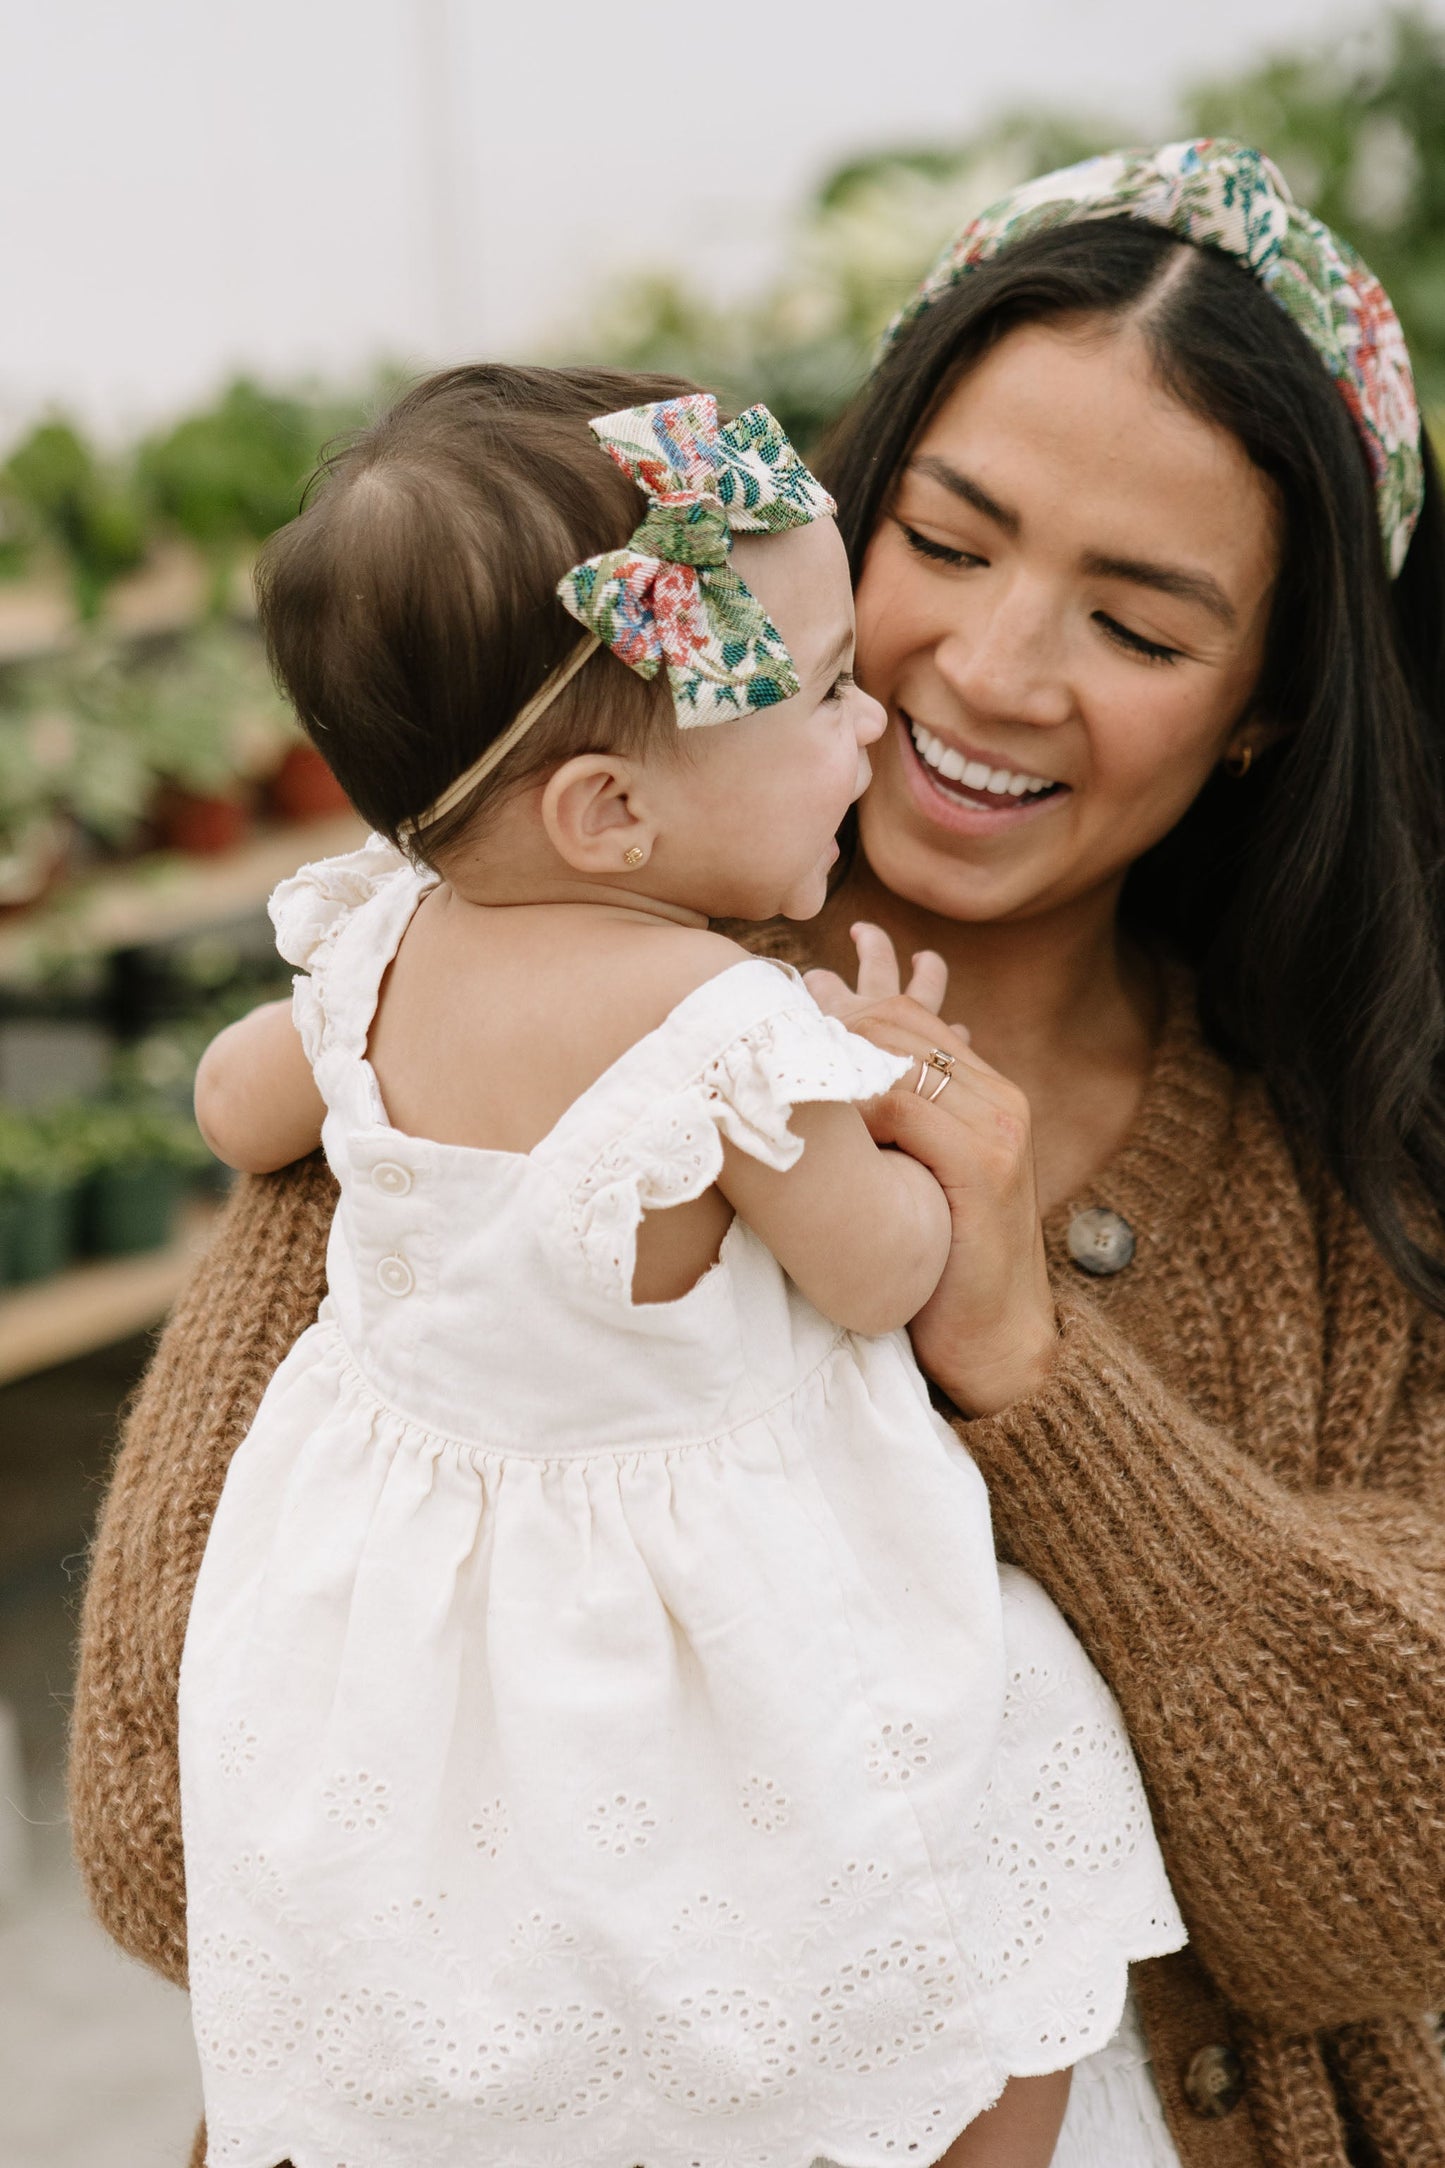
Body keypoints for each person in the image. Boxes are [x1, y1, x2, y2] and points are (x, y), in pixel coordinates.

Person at [70, 140, 1445, 2168]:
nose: (988, 672)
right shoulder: (517, 1045)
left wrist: (1034, 1369)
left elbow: (1380, 1886)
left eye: (1140, 626)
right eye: (950, 546)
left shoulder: (1355, 1165)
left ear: (1269, 706)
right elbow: (156, 1817)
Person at [169, 373, 1182, 2168]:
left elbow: (238, 1104)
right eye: (817, 694)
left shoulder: (376, 943)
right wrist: (891, 1101)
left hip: (416, 1634)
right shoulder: (720, 1030)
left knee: (522, 1978)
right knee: (981, 1883)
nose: (870, 727)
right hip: (710, 1607)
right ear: (610, 823)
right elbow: (880, 1280)